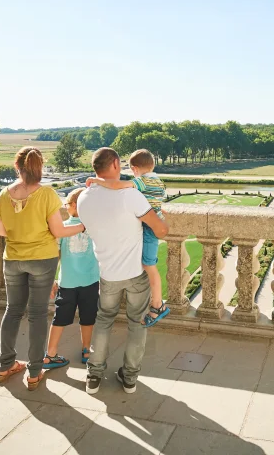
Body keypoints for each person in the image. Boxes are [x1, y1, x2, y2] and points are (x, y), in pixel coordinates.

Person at [78, 147, 169, 395]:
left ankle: (93, 376)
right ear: (116, 165)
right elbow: (160, 231)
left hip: (107, 273)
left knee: (103, 322)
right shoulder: (130, 195)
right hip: (135, 273)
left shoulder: (83, 197)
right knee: (137, 324)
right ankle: (129, 379)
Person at [0, 147, 85, 390]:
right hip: (42, 260)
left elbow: (1, 231)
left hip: (13, 259)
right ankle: (34, 372)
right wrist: (83, 227)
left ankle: (5, 366)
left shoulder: (4, 195)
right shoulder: (46, 194)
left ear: (17, 167)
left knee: (12, 311)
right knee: (36, 315)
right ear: (40, 167)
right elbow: (59, 231)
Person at [86, 148, 169, 326]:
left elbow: (117, 186)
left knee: (149, 265)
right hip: (152, 223)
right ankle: (157, 304)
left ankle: (157, 305)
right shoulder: (158, 181)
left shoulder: (142, 181)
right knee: (148, 265)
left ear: (135, 168)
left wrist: (96, 181)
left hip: (148, 228)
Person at [43, 187, 100, 370]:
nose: (65, 207)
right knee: (88, 317)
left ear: (74, 205)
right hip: (91, 280)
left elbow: (54, 255)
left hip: (67, 282)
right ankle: (85, 350)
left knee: (59, 319)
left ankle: (50, 353)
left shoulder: (62, 228)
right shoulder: (94, 226)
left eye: (67, 204)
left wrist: (51, 279)